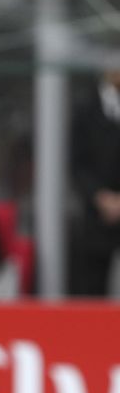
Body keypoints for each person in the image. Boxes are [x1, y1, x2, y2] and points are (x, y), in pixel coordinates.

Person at [70, 68, 120, 296]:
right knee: (92, 284)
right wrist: (100, 197)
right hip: (97, 213)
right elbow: (77, 163)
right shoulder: (86, 108)